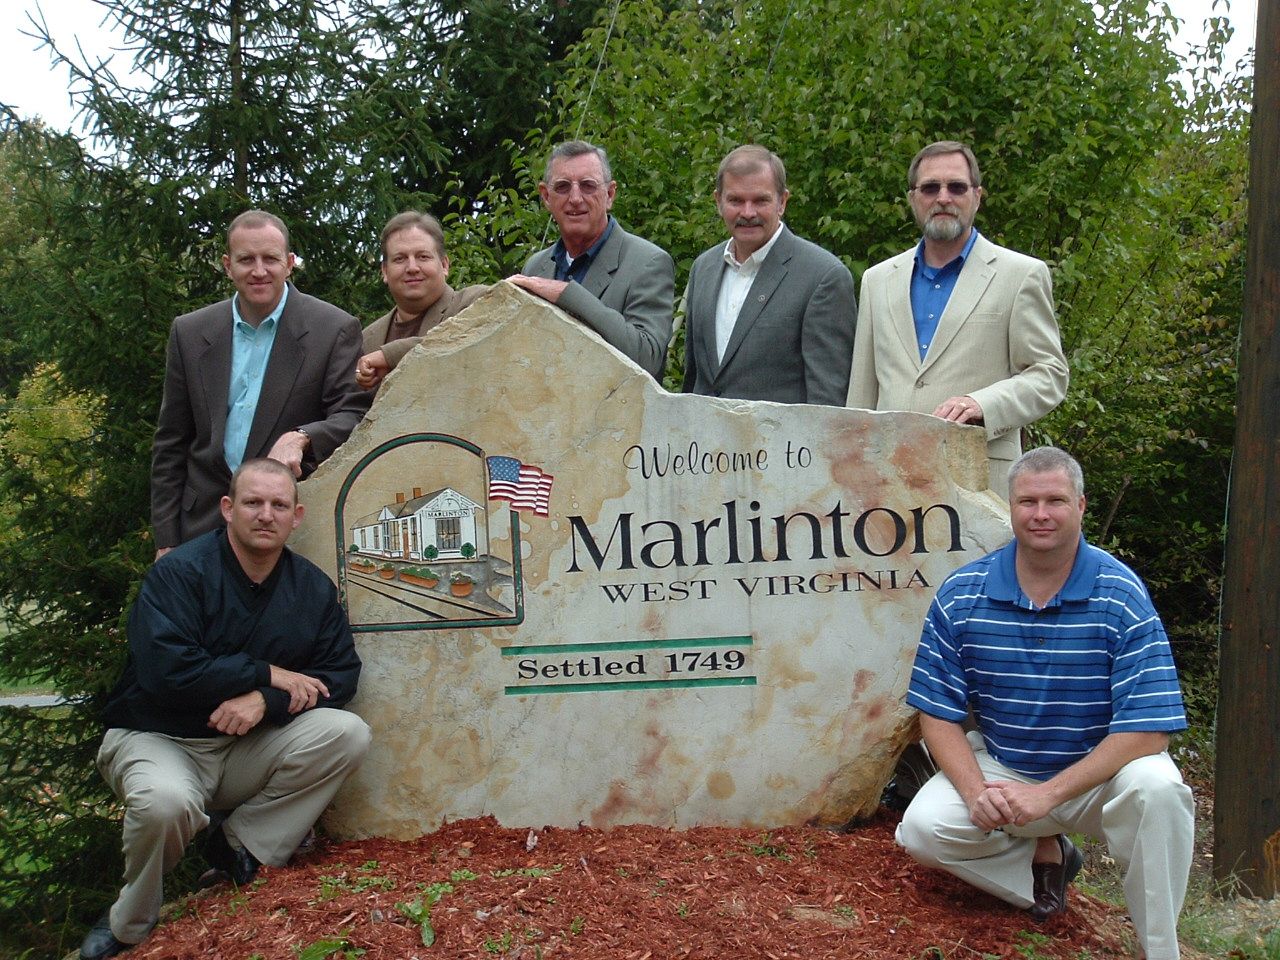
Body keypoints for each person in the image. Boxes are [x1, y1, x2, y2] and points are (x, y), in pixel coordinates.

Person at [897, 447, 1193, 960]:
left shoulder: (1120, 593)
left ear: (1080, 505)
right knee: (924, 831)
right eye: (1027, 501)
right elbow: (937, 713)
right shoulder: (963, 593)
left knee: (1160, 790)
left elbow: (1149, 730)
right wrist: (975, 794)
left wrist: (1048, 797)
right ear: (1010, 507)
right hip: (1006, 766)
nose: (1040, 514)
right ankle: (1039, 866)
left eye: (1055, 500)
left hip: (1102, 776)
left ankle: (1159, 951)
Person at [80, 459, 370, 960]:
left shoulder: (312, 588)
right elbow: (166, 671)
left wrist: (266, 700)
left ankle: (240, 846)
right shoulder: (179, 573)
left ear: (297, 516)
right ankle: (130, 922)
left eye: (279, 505)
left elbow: (340, 674)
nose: (266, 515)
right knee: (165, 803)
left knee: (347, 733)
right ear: (227, 508)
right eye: (253, 502)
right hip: (158, 739)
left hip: (244, 750)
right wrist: (264, 673)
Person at [846, 141, 1068, 496]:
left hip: (979, 482)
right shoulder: (877, 280)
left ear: (977, 196)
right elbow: (861, 395)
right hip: (889, 486)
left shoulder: (1021, 275)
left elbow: (1049, 374)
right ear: (913, 198)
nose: (943, 198)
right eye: (930, 188)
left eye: (956, 187)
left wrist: (983, 404)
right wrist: (853, 475)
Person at [151, 210, 370, 559]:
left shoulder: (332, 329)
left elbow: (354, 416)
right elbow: (171, 441)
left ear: (290, 263)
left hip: (286, 528)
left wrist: (302, 436)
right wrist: (166, 539)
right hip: (201, 525)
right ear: (227, 265)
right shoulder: (189, 332)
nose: (258, 271)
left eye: (270, 259)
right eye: (246, 260)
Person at [681, 144, 857, 404]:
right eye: (735, 200)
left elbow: (827, 403)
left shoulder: (823, 277)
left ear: (782, 202)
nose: (747, 213)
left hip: (780, 433)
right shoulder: (703, 268)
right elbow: (694, 381)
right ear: (718, 202)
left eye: (760, 201)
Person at [507, 140, 675, 379]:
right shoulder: (536, 266)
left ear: (610, 194)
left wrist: (568, 295)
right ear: (546, 197)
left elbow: (647, 359)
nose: (575, 198)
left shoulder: (648, 262)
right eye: (563, 187)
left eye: (588, 186)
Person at [355, 211, 490, 392]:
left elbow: (457, 342)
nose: (412, 268)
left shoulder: (477, 302)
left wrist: (390, 356)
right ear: (385, 271)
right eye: (400, 259)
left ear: (444, 265)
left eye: (423, 257)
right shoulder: (366, 340)